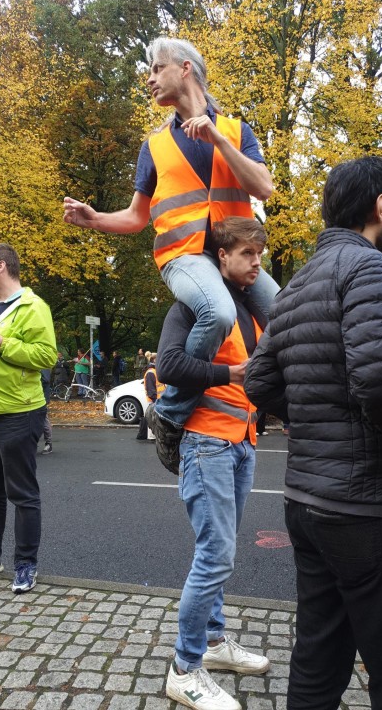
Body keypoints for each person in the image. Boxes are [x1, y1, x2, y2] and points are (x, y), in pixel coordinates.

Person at [63, 36, 280, 471]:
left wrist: (218, 138)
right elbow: (137, 217)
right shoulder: (154, 145)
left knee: (288, 315)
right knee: (218, 312)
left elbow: (264, 187)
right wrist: (95, 219)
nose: (149, 80)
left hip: (231, 257)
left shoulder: (235, 131)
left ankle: (271, 397)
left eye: (155, 69)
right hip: (182, 257)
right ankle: (171, 411)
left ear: (184, 68)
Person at [244, 156, 382, 710]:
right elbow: (379, 379)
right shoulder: (371, 268)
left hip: (305, 501)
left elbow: (259, 381)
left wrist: (316, 415)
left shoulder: (296, 284)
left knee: (318, 655)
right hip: (365, 504)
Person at [154, 217, 271, 710]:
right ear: (221, 256)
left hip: (241, 443)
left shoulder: (250, 308)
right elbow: (169, 366)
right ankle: (184, 668)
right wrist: (229, 370)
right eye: (247, 254)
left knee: (221, 550)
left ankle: (216, 642)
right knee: (216, 554)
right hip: (206, 444)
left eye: (259, 255)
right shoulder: (196, 307)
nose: (256, 263)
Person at [0, 243, 57, 593]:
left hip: (17, 412)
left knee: (23, 495)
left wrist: (2, 345)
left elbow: (46, 355)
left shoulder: (33, 306)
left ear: (0, 266)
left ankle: (25, 566)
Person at [137, 352, 165, 440]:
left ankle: (153, 436)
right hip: (154, 400)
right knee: (152, 418)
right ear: (155, 360)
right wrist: (156, 400)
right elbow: (151, 390)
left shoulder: (154, 371)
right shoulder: (150, 372)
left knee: (154, 418)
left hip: (157, 399)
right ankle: (151, 437)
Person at [40, 369, 53, 455]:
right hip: (35, 396)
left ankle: (48, 443)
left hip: (41, 397)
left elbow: (46, 380)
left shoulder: (42, 364)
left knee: (44, 420)